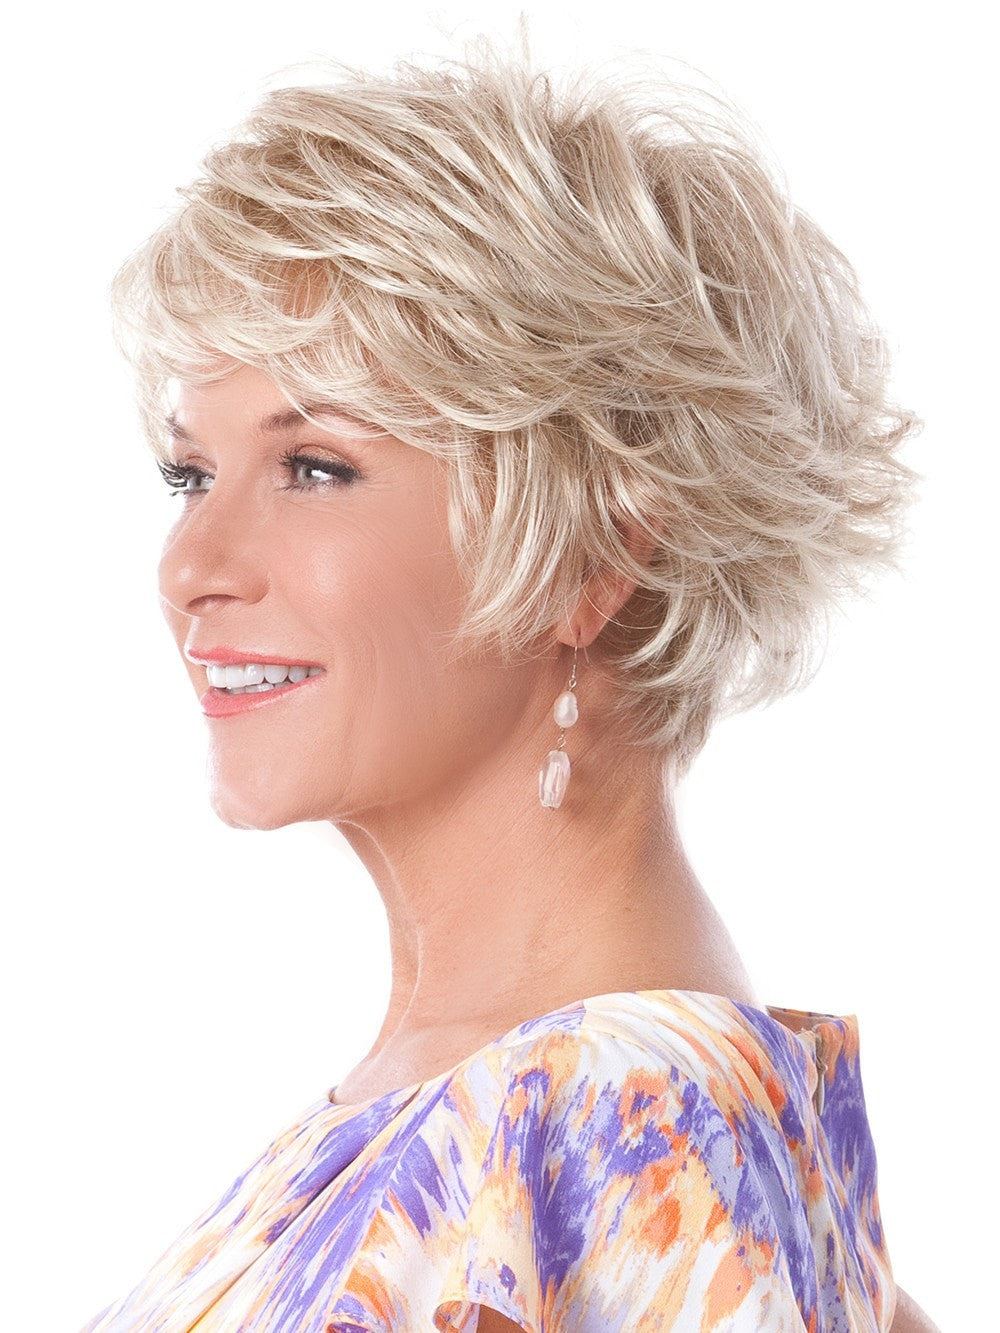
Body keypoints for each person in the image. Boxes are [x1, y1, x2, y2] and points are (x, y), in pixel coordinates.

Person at [83, 40, 939, 1333]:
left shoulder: (611, 1132)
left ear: (592, 551)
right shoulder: (506, 1110)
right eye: (190, 476)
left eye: (314, 467)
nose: (190, 567)